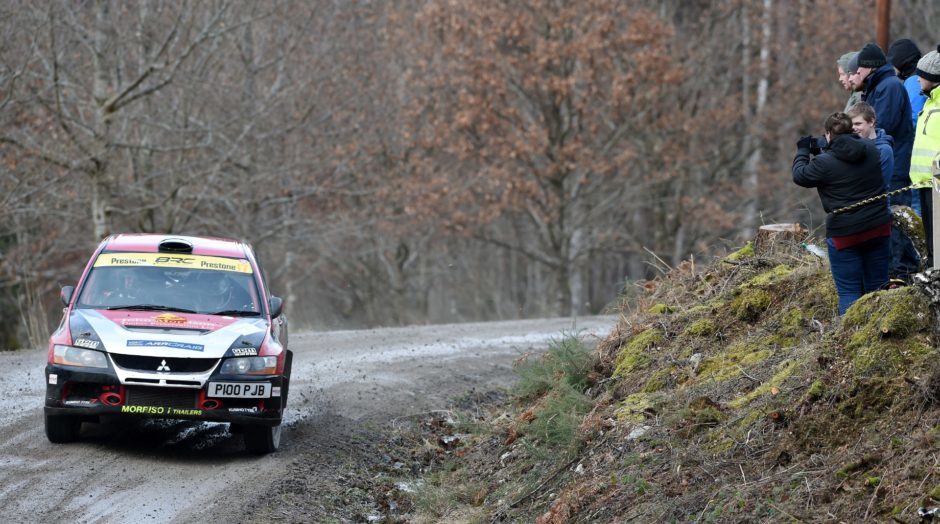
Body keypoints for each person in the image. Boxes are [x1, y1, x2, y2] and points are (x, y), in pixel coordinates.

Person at [793, 112, 891, 315]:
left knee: (849, 292)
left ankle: (851, 340)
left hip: (845, 233)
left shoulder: (823, 163)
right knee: (879, 287)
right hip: (878, 226)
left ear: (828, 134)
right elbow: (848, 153)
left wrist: (803, 150)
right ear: (851, 129)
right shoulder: (872, 149)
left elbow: (800, 175)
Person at [848, 102, 923, 281]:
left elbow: (880, 183)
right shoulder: (853, 147)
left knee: (882, 266)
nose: (854, 129)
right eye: (851, 125)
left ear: (871, 122)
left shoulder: (884, 149)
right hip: (856, 216)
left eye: (858, 124)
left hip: (876, 212)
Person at [850, 42, 914, 207]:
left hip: (894, 165)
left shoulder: (889, 87)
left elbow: (883, 125)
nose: (857, 71)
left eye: (860, 67)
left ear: (871, 67)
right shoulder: (879, 86)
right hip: (886, 162)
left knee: (896, 219)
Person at [910, 45, 940, 267]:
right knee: (931, 239)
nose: (918, 78)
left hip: (936, 182)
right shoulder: (930, 101)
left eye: (922, 74)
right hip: (923, 182)